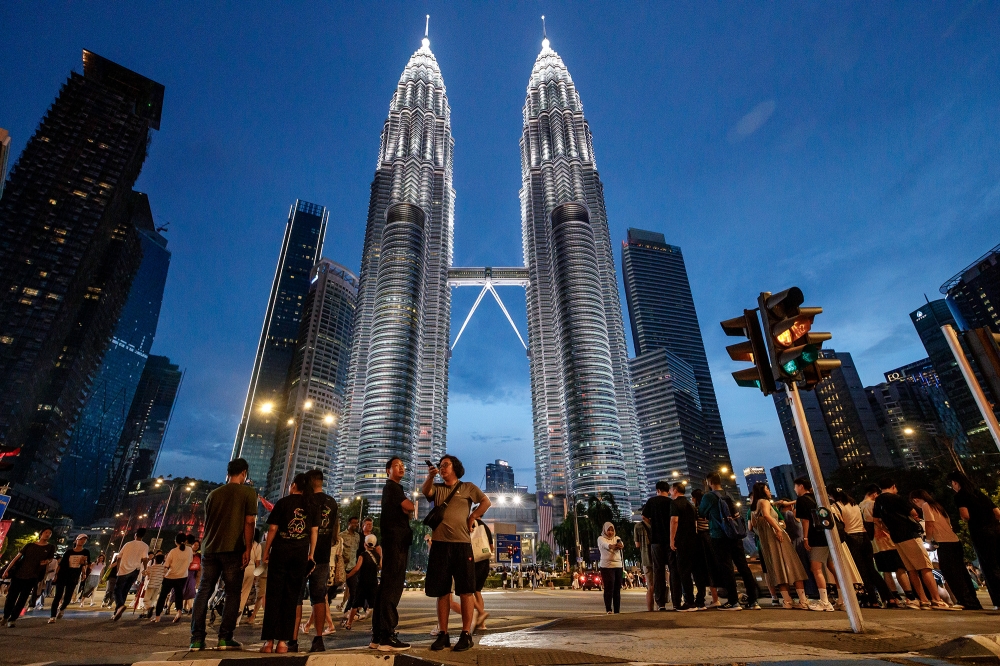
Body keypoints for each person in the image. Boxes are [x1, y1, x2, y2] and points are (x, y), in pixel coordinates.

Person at [422, 454, 491, 652]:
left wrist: (473, 516)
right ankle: (443, 634)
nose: (442, 468)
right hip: (440, 546)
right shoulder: (437, 488)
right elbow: (426, 491)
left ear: (455, 467)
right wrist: (430, 476)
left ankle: (466, 634)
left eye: (446, 465)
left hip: (462, 545)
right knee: (442, 592)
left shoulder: (468, 487)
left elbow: (486, 502)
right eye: (440, 465)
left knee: (466, 591)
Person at [190, 457, 258, 651]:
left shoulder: (213, 494)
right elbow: (249, 522)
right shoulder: (248, 492)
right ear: (244, 473)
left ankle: (196, 639)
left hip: (210, 549)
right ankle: (225, 638)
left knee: (204, 591)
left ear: (228, 473)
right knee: (232, 592)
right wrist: (248, 548)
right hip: (233, 549)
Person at [873, 478, 956, 611]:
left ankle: (923, 600)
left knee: (911, 569)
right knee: (925, 567)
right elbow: (913, 512)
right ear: (893, 486)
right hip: (909, 534)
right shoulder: (896, 498)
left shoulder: (878, 501)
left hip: (896, 537)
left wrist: (887, 529)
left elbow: (876, 520)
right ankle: (936, 599)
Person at [260, 473, 319, 654]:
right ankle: (283, 643)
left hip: (280, 552)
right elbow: (314, 532)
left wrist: (266, 551)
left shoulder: (283, 503)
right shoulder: (312, 505)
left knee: (274, 596)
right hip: (299, 555)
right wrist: (311, 554)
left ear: (293, 485)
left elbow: (272, 528)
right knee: (291, 598)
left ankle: (268, 642)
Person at [749, 483, 817, 610]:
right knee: (794, 566)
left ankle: (787, 601)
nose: (769, 491)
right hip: (777, 538)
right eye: (767, 489)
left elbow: (753, 526)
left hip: (767, 542)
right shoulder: (764, 502)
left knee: (778, 569)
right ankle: (803, 600)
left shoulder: (753, 508)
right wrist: (778, 529)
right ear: (762, 491)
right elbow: (766, 515)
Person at [910, 488, 981, 610]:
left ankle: (965, 600)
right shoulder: (938, 506)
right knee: (962, 572)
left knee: (951, 574)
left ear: (915, 500)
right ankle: (973, 601)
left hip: (944, 542)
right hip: (954, 541)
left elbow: (930, 524)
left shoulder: (926, 506)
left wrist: (928, 540)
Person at [372, 457, 414, 652]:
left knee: (385, 588)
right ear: (388, 470)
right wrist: (409, 508)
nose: (401, 468)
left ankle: (377, 636)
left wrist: (407, 509)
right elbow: (410, 507)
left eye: (402, 465)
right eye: (397, 465)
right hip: (396, 543)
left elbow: (407, 509)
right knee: (392, 587)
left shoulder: (393, 489)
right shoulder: (393, 487)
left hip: (393, 542)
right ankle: (387, 636)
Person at [295, 469, 339, 653]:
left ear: (311, 481)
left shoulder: (306, 500)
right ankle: (318, 638)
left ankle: (293, 640)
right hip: (323, 556)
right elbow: (335, 529)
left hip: (303, 555)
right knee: (319, 598)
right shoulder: (332, 502)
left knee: (297, 597)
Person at [700, 473, 756, 610]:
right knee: (743, 567)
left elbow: (701, 513)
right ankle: (753, 601)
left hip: (719, 536)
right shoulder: (728, 494)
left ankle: (733, 601)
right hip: (735, 535)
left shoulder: (708, 497)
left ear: (709, 482)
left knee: (727, 568)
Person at [831, 488, 893, 608]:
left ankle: (872, 600)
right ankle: (889, 597)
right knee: (871, 569)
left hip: (851, 538)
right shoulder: (854, 504)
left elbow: (840, 524)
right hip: (864, 537)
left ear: (831, 495)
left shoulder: (835, 507)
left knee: (861, 570)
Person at [947, 470, 1000, 609]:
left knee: (990, 566)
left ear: (955, 483)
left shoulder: (960, 496)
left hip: (981, 533)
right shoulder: (979, 493)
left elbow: (965, 515)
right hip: (996, 530)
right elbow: (997, 513)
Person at [793, 477, 839, 611]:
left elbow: (805, 520)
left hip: (816, 537)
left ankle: (824, 601)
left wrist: (805, 538)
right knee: (833, 567)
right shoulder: (818, 498)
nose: (795, 489)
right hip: (828, 535)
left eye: (795, 486)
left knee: (816, 568)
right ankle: (843, 599)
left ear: (801, 486)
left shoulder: (802, 500)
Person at [2, 527, 55, 627]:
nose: (48, 534)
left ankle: (12, 619)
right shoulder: (29, 545)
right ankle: (5, 616)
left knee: (23, 598)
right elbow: (16, 558)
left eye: (50, 533)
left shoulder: (50, 547)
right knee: (11, 597)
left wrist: (46, 561)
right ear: (41, 533)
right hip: (19, 574)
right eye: (46, 532)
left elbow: (50, 559)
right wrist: (6, 570)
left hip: (33, 576)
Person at [667, 483, 701, 611]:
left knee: (684, 572)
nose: (670, 492)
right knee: (694, 571)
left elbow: (674, 521)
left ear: (675, 490)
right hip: (693, 540)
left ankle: (689, 602)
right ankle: (699, 601)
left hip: (682, 541)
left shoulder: (675, 503)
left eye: (671, 490)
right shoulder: (690, 505)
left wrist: (672, 540)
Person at [642, 481, 672, 610]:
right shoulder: (671, 502)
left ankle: (660, 603)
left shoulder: (652, 501)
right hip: (670, 540)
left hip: (656, 541)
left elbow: (644, 517)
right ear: (668, 491)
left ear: (658, 490)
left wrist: (653, 525)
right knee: (673, 570)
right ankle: (676, 601)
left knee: (658, 571)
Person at [49, 534, 91, 622]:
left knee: (68, 598)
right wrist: (56, 575)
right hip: (63, 575)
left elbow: (86, 564)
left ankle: (62, 608)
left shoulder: (86, 552)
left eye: (84, 540)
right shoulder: (69, 552)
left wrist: (84, 573)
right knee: (58, 596)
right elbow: (61, 564)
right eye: (81, 539)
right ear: (76, 540)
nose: (83, 541)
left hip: (74, 576)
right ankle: (52, 616)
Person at [152, 533, 193, 622]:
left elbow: (166, 565)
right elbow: (190, 561)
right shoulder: (190, 550)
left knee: (163, 596)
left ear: (175, 541)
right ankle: (179, 612)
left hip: (170, 577)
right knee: (179, 595)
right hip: (183, 576)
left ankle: (157, 616)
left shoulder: (173, 551)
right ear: (185, 541)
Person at [691, 488, 720, 608]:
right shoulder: (708, 509)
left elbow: (695, 527)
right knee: (711, 569)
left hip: (701, 540)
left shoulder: (696, 510)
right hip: (711, 538)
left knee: (700, 570)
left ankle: (700, 599)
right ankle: (715, 599)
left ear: (694, 498)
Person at [112, 528, 149, 621]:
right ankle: (117, 612)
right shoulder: (145, 546)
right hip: (135, 571)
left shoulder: (128, 544)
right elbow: (145, 559)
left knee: (117, 590)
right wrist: (145, 569)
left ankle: (120, 606)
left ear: (135, 534)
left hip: (124, 570)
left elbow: (119, 557)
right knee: (125, 591)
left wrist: (118, 569)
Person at [597, 522, 625, 613]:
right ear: (604, 530)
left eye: (612, 530)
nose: (610, 532)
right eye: (608, 530)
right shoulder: (601, 538)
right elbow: (605, 545)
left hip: (618, 566)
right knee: (609, 587)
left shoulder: (617, 538)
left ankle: (617, 610)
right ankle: (608, 609)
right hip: (606, 566)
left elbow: (621, 544)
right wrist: (612, 546)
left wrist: (619, 545)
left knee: (617, 589)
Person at [236, 529, 262, 626]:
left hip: (242, 568)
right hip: (252, 570)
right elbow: (258, 563)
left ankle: (232, 615)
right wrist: (256, 577)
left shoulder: (243, 544)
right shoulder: (258, 546)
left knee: (236, 593)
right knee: (244, 595)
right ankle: (237, 621)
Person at [338, 517, 361, 612]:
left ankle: (348, 610)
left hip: (352, 566)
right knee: (333, 589)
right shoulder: (341, 535)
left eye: (357, 523)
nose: (355, 525)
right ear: (349, 523)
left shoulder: (357, 536)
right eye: (353, 523)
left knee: (354, 591)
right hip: (342, 566)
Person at [633, 517, 654, 611]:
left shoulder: (638, 526)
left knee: (650, 587)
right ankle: (661, 607)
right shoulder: (657, 523)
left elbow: (637, 545)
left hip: (646, 558)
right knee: (660, 584)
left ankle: (650, 609)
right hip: (658, 558)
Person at [141, 552, 166, 618]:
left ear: (155, 560)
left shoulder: (151, 567)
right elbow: (165, 575)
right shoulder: (164, 568)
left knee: (146, 599)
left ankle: (149, 607)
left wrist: (143, 572)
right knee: (153, 599)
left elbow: (145, 573)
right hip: (158, 585)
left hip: (151, 585)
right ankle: (148, 612)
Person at [182, 537, 201, 611]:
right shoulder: (187, 553)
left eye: (198, 545)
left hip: (193, 574)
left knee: (190, 591)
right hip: (185, 572)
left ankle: (189, 607)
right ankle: (181, 607)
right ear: (192, 545)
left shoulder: (198, 555)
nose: (196, 546)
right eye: (195, 545)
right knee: (183, 590)